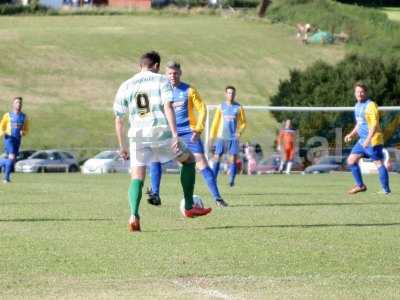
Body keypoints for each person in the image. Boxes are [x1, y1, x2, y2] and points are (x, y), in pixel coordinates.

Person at [113, 51, 212, 232]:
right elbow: (168, 106)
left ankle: (134, 215)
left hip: (137, 135)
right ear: (157, 66)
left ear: (139, 66)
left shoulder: (126, 85)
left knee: (137, 177)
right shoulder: (161, 80)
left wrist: (122, 147)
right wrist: (175, 134)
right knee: (189, 161)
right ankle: (189, 206)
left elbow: (118, 119)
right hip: (160, 132)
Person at [147, 61, 228, 208]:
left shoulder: (189, 90)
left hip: (188, 133)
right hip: (168, 133)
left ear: (180, 73)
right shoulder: (161, 90)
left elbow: (202, 108)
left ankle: (218, 198)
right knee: (155, 158)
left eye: (175, 73)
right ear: (166, 74)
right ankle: (155, 194)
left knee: (201, 163)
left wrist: (198, 129)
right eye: (170, 73)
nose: (173, 76)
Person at [344, 81, 391, 195]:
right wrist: (351, 134)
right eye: (357, 92)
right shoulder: (357, 106)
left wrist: (368, 140)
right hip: (362, 141)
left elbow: (374, 125)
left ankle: (386, 190)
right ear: (354, 93)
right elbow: (359, 124)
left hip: (373, 139)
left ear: (366, 93)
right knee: (351, 160)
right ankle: (360, 186)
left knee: (378, 163)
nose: (359, 94)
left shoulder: (371, 105)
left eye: (362, 92)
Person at [210, 86, 246, 187]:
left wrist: (239, 132)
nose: (231, 95)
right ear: (225, 94)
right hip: (221, 137)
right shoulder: (221, 106)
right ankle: (213, 179)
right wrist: (212, 136)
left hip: (233, 138)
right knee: (217, 157)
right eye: (229, 93)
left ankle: (231, 180)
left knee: (233, 159)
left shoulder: (238, 107)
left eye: (233, 93)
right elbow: (215, 123)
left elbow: (243, 123)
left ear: (235, 94)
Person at [0, 97, 29, 183]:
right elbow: (1, 126)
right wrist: (3, 132)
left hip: (17, 140)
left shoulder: (24, 117)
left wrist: (23, 132)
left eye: (20, 103)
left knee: (11, 159)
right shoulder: (7, 115)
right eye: (16, 103)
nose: (18, 104)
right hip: (9, 139)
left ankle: (6, 177)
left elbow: (26, 129)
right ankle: (6, 179)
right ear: (13, 104)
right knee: (11, 157)